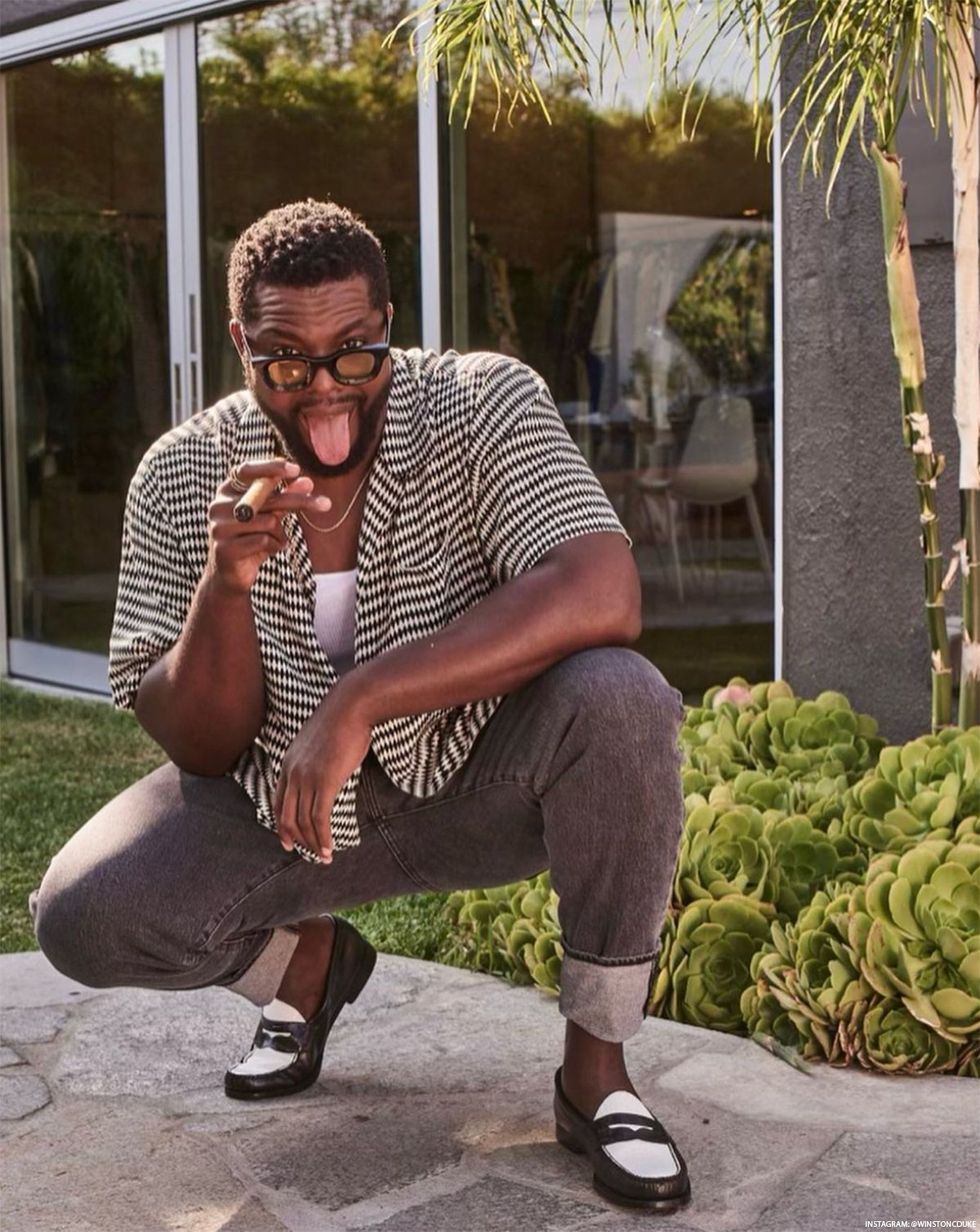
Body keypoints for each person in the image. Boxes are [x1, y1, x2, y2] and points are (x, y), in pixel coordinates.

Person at [32, 199, 690, 1213]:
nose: (326, 386)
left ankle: (594, 1074)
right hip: (285, 809)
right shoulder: (179, 473)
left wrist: (362, 697)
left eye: (354, 352)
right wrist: (225, 585)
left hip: (477, 779)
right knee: (84, 913)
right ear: (241, 343)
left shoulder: (480, 403)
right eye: (286, 362)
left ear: (387, 322)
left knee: (621, 697)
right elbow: (199, 740)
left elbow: (601, 587)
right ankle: (310, 966)